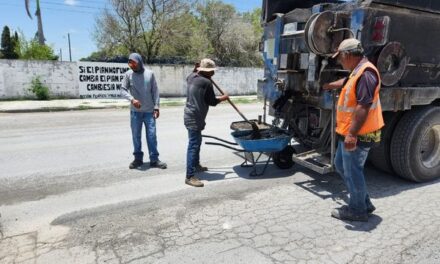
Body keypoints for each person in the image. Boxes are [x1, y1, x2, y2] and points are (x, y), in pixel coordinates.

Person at [323, 38, 384, 222]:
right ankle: (364, 203)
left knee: (352, 170)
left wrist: (351, 134)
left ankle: (357, 210)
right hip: (349, 131)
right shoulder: (357, 71)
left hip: (359, 133)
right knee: (341, 165)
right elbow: (349, 81)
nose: (340, 61)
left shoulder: (366, 74)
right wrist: (332, 85)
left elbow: (363, 107)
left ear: (348, 55)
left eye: (340, 57)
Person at [184, 58, 229, 187]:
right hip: (195, 117)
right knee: (193, 144)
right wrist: (223, 98)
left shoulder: (191, 77)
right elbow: (212, 102)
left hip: (189, 114)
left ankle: (196, 165)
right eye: (212, 71)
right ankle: (189, 176)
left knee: (197, 142)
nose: (213, 73)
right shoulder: (206, 82)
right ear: (206, 71)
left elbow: (192, 73)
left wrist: (197, 70)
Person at [121, 53, 167, 170]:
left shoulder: (149, 74)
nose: (132, 66)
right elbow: (123, 90)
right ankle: (138, 159)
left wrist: (156, 107)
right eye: (130, 64)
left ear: (139, 62)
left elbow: (155, 91)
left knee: (151, 136)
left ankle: (154, 159)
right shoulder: (128, 75)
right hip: (135, 113)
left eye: (134, 64)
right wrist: (132, 99)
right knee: (136, 136)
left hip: (149, 112)